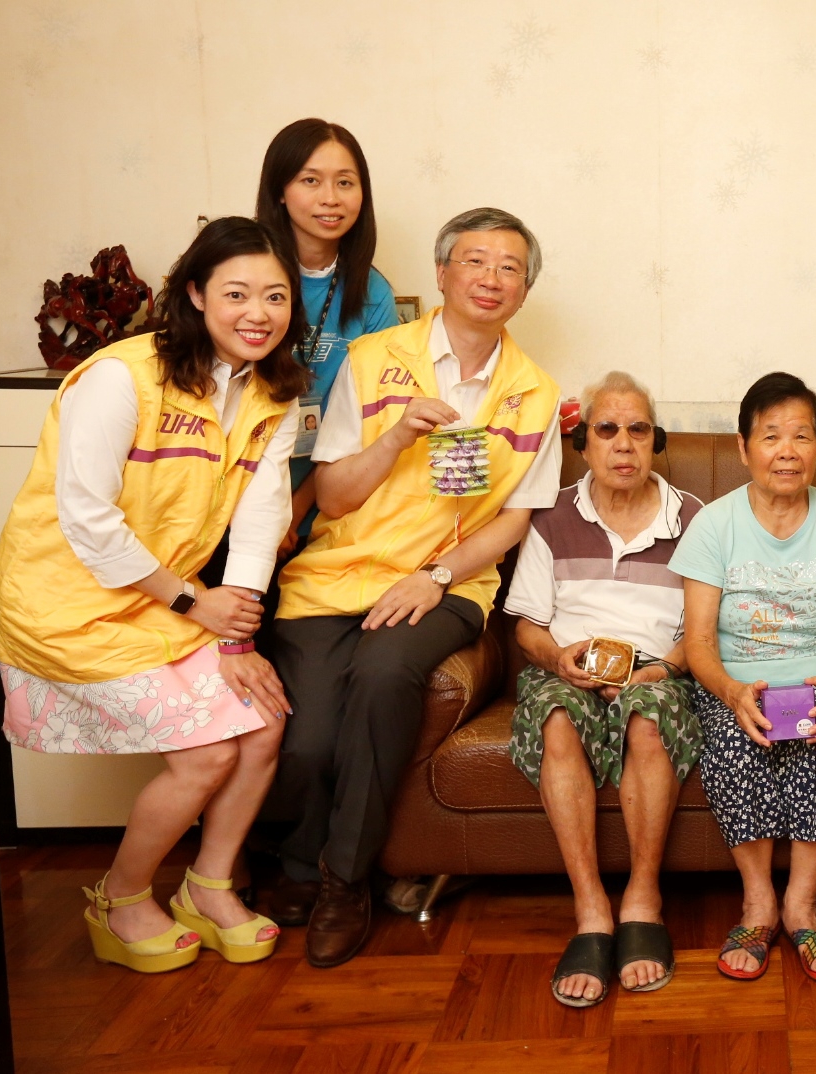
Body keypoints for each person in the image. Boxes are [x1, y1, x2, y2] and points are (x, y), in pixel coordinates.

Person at [0, 217, 305, 972]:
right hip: (68, 607)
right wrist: (196, 606)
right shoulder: (119, 376)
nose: (257, 314)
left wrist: (235, 632)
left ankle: (207, 887)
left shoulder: (273, 394)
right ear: (194, 294)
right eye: (237, 294)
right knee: (204, 758)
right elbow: (89, 522)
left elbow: (261, 520)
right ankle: (122, 897)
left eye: (275, 296)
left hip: (167, 601)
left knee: (263, 724)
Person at [268, 207, 564, 968]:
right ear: (442, 274)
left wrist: (434, 577)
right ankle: (297, 862)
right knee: (304, 739)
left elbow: (516, 522)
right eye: (475, 261)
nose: (491, 279)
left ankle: (343, 879)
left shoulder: (533, 393)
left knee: (383, 675)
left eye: (509, 268)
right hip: (336, 573)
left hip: (449, 582)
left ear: (525, 290)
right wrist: (398, 434)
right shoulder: (373, 359)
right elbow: (330, 496)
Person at [670, 373, 816, 984]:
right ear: (744, 448)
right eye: (771, 436)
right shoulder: (714, 524)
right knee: (733, 746)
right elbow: (700, 641)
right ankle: (759, 901)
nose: (787, 450)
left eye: (802, 436)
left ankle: (802, 905)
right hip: (735, 684)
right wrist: (733, 692)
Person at [504, 371, 703, 1007]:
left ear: (656, 440)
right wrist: (557, 658)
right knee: (559, 717)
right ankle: (591, 906)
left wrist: (666, 667)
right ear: (583, 442)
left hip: (659, 668)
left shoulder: (694, 520)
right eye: (607, 429)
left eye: (638, 430)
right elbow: (528, 627)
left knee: (649, 718)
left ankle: (643, 895)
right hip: (568, 665)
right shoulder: (550, 518)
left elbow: (705, 628)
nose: (624, 444)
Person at [255, 118, 400, 548]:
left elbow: (373, 420)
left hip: (328, 502)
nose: (330, 199)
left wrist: (295, 510)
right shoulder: (243, 274)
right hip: (235, 492)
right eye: (311, 180)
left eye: (345, 182)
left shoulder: (374, 293)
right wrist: (266, 512)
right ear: (280, 190)